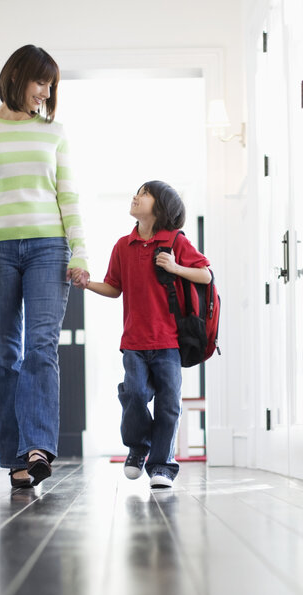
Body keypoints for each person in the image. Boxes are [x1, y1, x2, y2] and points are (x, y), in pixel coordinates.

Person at [0, 45, 90, 489]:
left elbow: (67, 196)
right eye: (41, 83)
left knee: (41, 345)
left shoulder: (53, 133)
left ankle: (38, 448)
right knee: (5, 354)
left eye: (51, 86)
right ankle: (15, 457)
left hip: (48, 248)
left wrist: (80, 252)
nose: (45, 93)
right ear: (17, 77)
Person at [74, 181, 211, 488]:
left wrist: (175, 267)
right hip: (134, 342)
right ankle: (139, 447)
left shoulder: (175, 242)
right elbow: (114, 288)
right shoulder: (123, 245)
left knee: (168, 404)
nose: (136, 196)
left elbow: (205, 274)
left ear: (161, 207)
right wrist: (86, 284)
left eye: (144, 193)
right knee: (134, 393)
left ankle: (161, 467)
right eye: (137, 192)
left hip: (170, 342)